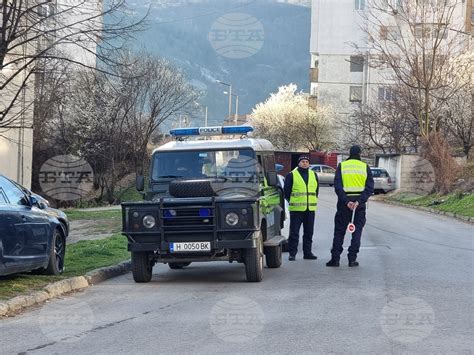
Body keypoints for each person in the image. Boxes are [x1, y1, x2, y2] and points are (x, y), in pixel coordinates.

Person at [326, 145, 374, 267]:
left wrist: (347, 201)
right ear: (359, 154)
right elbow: (369, 188)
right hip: (359, 206)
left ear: (349, 153)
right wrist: (359, 202)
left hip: (344, 205)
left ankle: (335, 259)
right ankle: (352, 259)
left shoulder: (342, 166)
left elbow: (337, 186)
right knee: (357, 232)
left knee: (339, 232)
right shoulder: (365, 167)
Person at [284, 155, 319, 261]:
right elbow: (287, 191)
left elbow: (316, 191)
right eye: (303, 161)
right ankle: (292, 254)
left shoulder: (313, 174)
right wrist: (293, 201)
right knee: (294, 233)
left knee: (309, 232)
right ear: (299, 163)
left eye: (307, 162)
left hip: (310, 209)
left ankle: (307, 253)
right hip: (296, 210)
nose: (305, 163)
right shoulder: (292, 175)